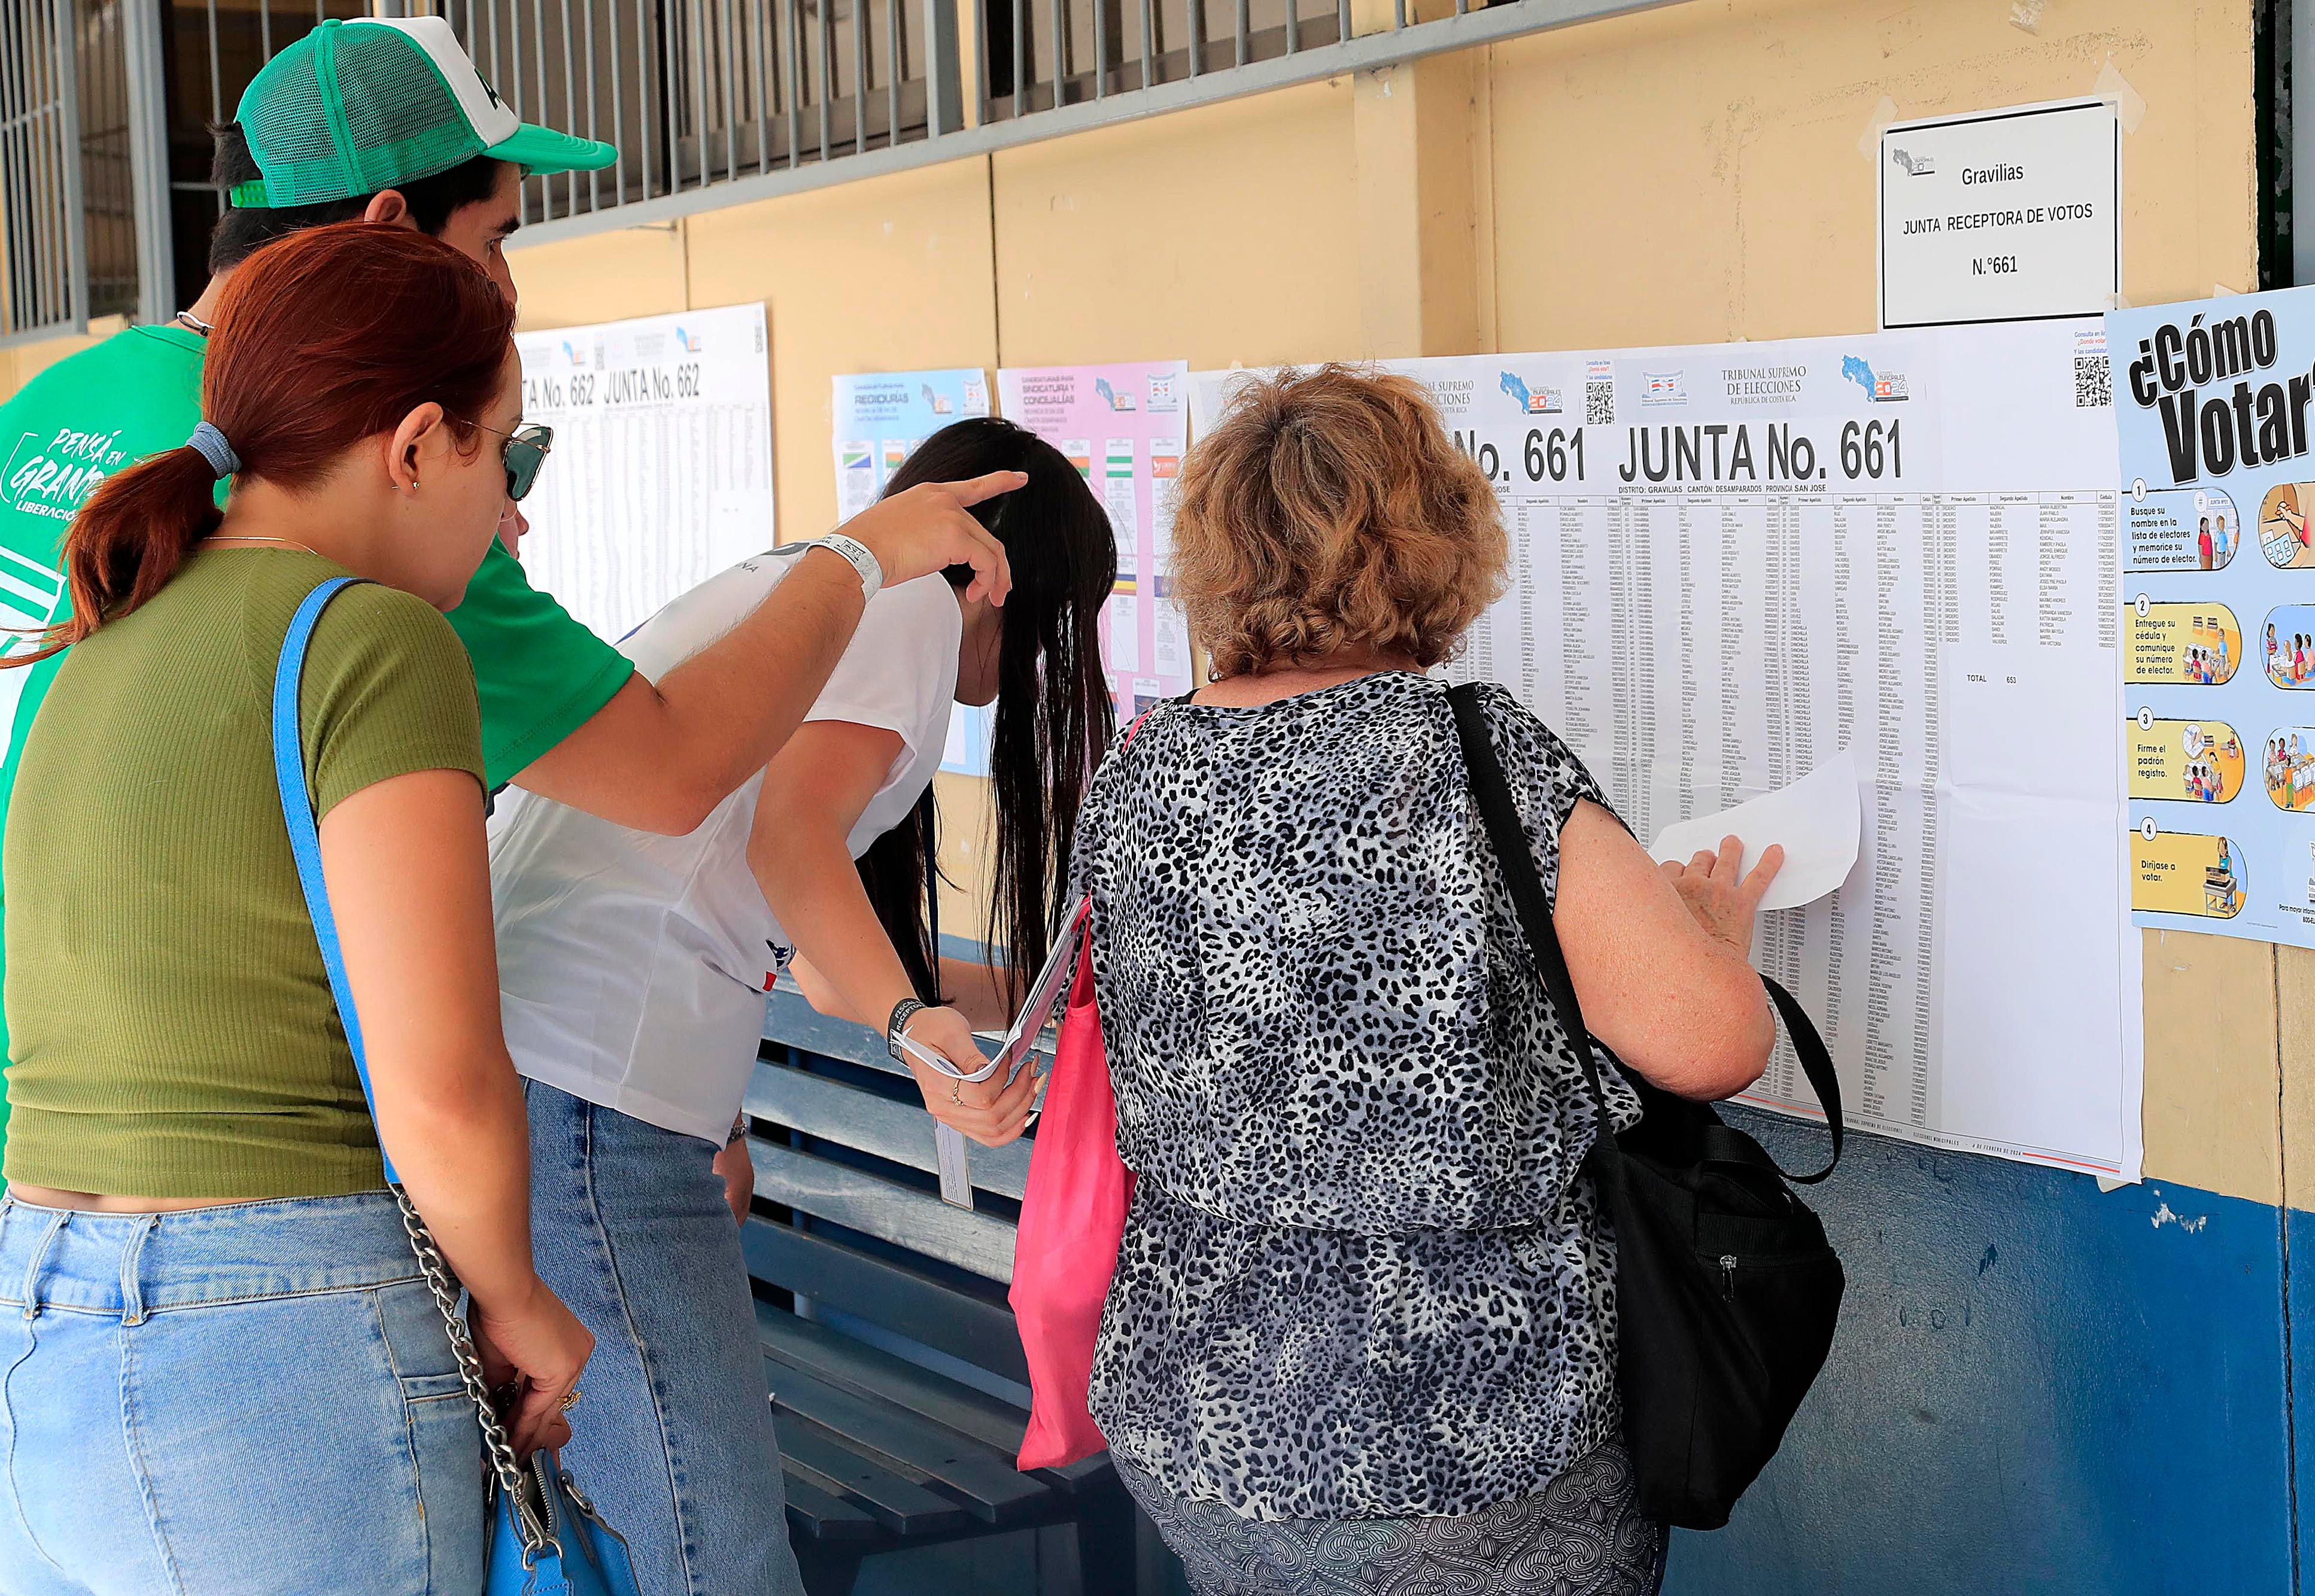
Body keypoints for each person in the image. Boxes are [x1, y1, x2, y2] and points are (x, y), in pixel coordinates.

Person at [0, 13, 1012, 1156]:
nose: (506, 287)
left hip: (44, 1126)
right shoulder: (334, 498)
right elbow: (673, 769)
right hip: (208, 1157)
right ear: (391, 234)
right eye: (495, 240)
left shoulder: (47, 410)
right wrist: (859, 556)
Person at [1065, 366, 1782, 1596]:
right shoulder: (1470, 752)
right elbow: (1712, 1044)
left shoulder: (1137, 768)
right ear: (1432, 538)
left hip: (1193, 1413)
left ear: (1217, 556)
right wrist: (1707, 931)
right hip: (1464, 1435)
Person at [0, 224, 588, 1591]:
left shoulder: (100, 636)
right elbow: (439, 1080)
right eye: (508, 450)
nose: (511, 509)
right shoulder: (373, 637)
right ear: (417, 442)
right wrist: (518, 1300)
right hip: (270, 1338)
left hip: (42, 1312)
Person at [482, 417, 1113, 1594]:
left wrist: (1002, 999)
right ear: (1002, 577)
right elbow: (792, 841)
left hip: (555, 1080)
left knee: (639, 1528)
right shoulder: (911, 604)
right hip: (595, 1098)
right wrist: (918, 1031)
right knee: (713, 1545)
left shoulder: (808, 584)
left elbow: (820, 947)